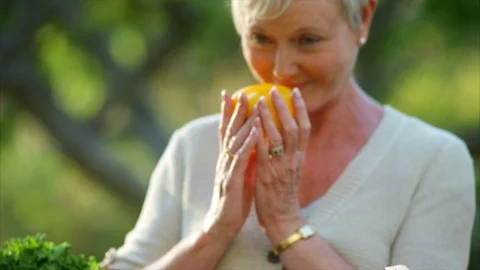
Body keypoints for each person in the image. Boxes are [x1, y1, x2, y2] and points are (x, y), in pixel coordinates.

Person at [101, 0, 476, 269]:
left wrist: (286, 226)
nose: (281, 69)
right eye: (261, 39)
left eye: (308, 39)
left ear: (363, 18)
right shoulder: (193, 146)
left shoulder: (434, 160)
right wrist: (215, 232)